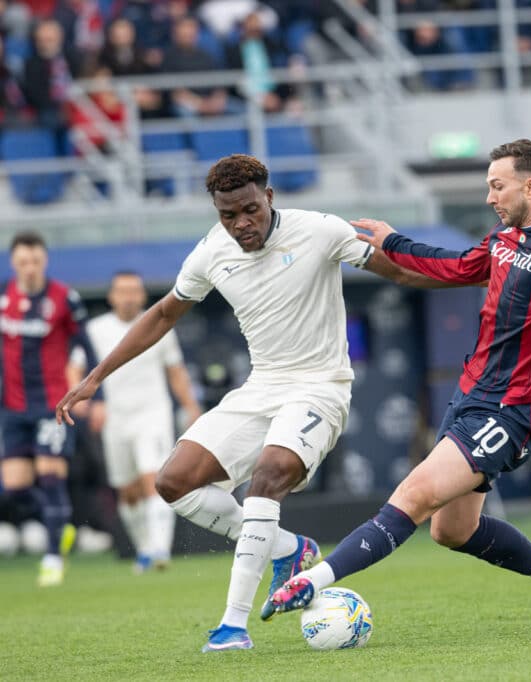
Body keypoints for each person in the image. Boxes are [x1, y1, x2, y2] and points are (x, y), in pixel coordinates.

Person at [55, 154, 452, 652]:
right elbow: (161, 315)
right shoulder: (210, 252)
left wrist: (480, 276)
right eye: (228, 215)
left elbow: (403, 274)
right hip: (261, 388)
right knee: (173, 482)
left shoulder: (320, 231)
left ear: (269, 196)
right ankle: (288, 548)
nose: (241, 224)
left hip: (320, 387)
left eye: (249, 210)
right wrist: (96, 376)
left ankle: (232, 625)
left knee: (266, 478)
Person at [263, 138, 531, 629]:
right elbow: (453, 265)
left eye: (498, 186)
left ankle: (313, 581)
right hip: (472, 393)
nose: (490, 197)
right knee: (452, 530)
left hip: (516, 406)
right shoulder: (501, 241)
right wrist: (393, 241)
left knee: (415, 494)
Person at [74, 270, 202, 573]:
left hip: (152, 414)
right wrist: (87, 404)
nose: (129, 296)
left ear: (142, 295)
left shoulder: (159, 325)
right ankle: (145, 548)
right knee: (128, 491)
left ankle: (160, 550)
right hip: (115, 419)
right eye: (122, 291)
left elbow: (176, 372)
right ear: (112, 296)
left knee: (152, 479)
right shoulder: (95, 330)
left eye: (134, 291)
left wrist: (191, 406)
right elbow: (76, 368)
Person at [1, 231, 101, 586]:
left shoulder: (63, 298)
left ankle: (53, 557)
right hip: (12, 408)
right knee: (13, 486)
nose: (29, 268)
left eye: (36, 261)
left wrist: (95, 396)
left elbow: (86, 347)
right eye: (23, 262)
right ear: (14, 263)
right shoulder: (3, 297)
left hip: (52, 405)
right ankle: (61, 522)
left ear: (45, 261)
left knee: (51, 476)